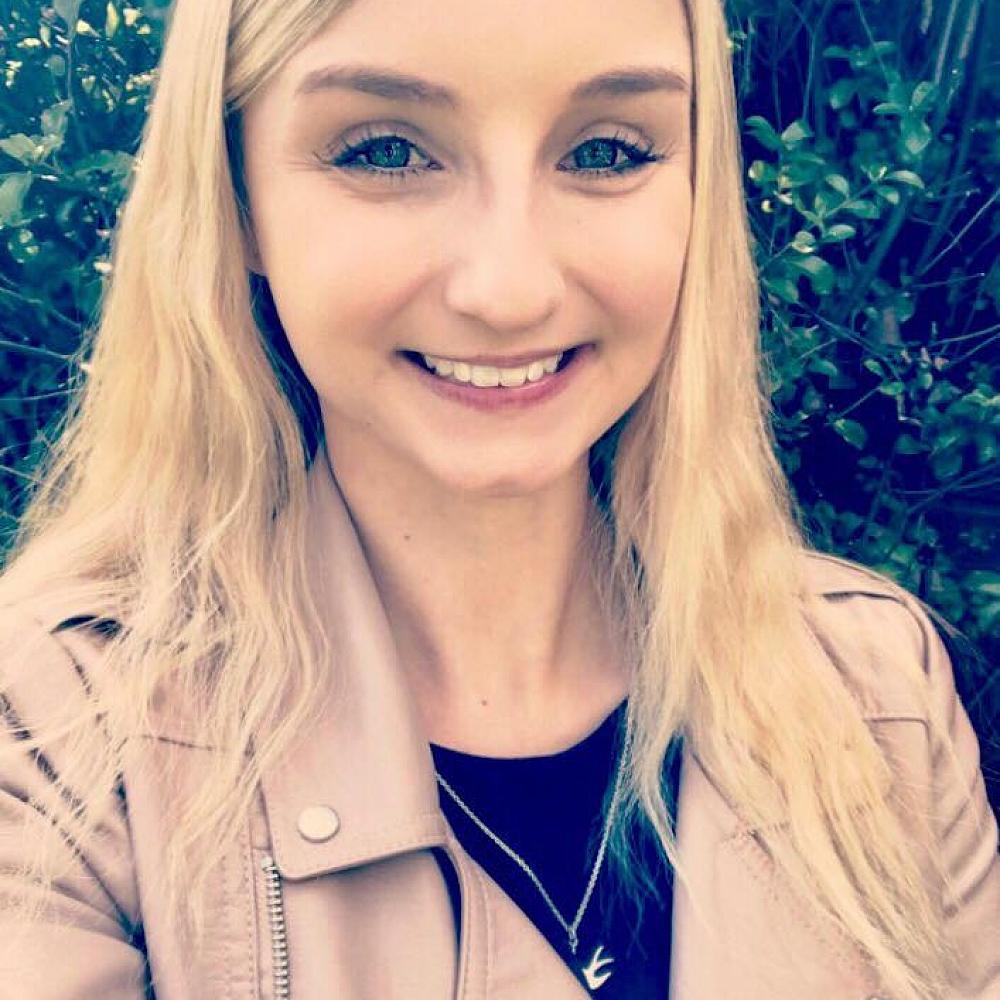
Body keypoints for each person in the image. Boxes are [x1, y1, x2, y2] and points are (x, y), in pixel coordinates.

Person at [0, 0, 997, 996]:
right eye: (385, 151)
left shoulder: (875, 692)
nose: (510, 290)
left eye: (605, 152)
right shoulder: (57, 737)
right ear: (236, 198)